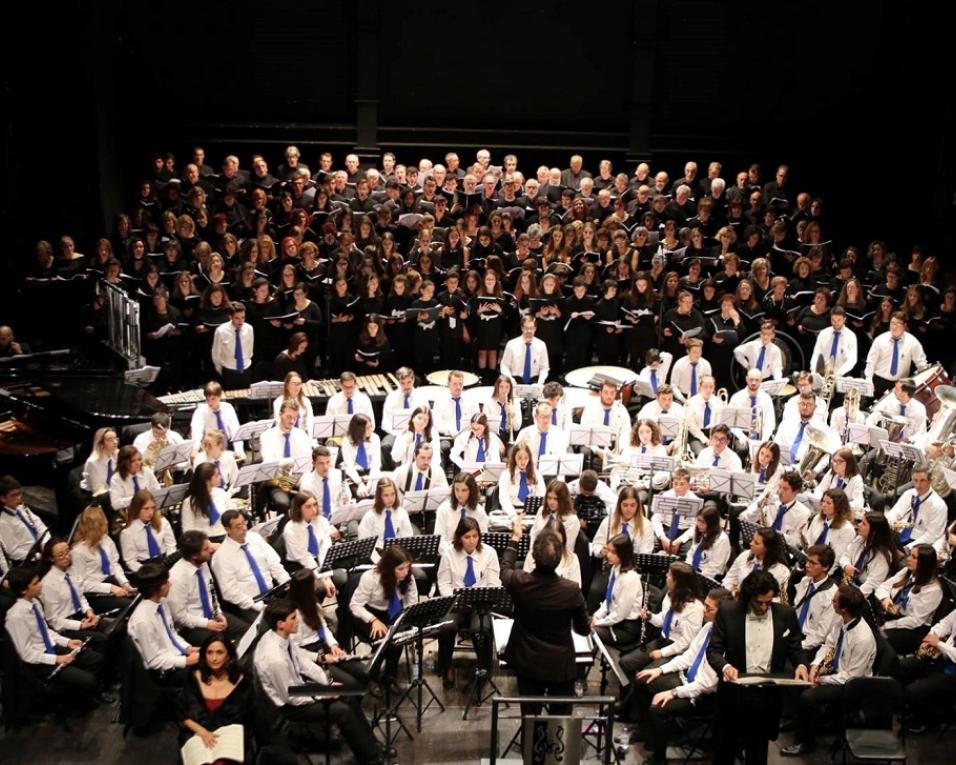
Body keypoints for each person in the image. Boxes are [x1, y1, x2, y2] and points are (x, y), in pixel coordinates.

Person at [255, 599, 384, 765]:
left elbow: (301, 659)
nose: (298, 621)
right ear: (281, 624)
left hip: (299, 688)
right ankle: (371, 759)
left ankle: (372, 744)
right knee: (343, 711)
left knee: (349, 693)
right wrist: (323, 693)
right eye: (293, 618)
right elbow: (292, 696)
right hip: (291, 706)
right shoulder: (274, 659)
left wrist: (327, 681)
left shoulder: (280, 637)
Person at [706, 570, 810, 765]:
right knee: (724, 751)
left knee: (758, 753)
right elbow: (713, 651)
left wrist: (802, 664)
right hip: (734, 694)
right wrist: (726, 666)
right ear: (748, 597)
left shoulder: (786, 614)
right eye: (758, 602)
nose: (763, 607)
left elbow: (795, 647)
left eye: (768, 602)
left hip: (766, 696)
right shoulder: (728, 612)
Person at [500, 519, 590, 715]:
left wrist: (515, 538)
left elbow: (505, 568)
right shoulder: (571, 590)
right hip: (560, 664)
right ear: (559, 559)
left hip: (527, 660)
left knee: (530, 716)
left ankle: (531, 743)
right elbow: (584, 629)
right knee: (560, 718)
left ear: (533, 555)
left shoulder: (519, 582)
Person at [781, 585, 877, 756]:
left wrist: (820, 680)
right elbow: (829, 645)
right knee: (797, 674)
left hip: (851, 684)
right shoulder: (842, 620)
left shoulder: (862, 638)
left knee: (808, 697)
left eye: (834, 601)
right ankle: (797, 719)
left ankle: (806, 741)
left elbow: (850, 676)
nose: (831, 602)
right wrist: (815, 666)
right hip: (834, 671)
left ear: (844, 608)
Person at [5, 565, 108, 706]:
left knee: (96, 659)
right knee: (88, 680)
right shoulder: (15, 617)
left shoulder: (34, 602)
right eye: (35, 583)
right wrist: (57, 659)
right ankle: (77, 702)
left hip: (52, 648)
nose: (40, 585)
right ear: (23, 590)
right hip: (40, 661)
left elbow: (46, 632)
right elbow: (27, 654)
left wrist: (67, 642)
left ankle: (86, 697)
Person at [435, 517, 501, 687]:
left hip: (479, 604)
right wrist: (452, 599)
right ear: (459, 538)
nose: (472, 541)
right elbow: (443, 582)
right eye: (467, 537)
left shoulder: (489, 553)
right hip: (455, 602)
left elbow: (494, 583)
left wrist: (484, 598)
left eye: (475, 536)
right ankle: (446, 667)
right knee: (446, 627)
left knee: (481, 629)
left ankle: (484, 668)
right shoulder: (449, 553)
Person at [177, 635, 255, 763]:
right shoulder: (194, 677)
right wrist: (202, 732)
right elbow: (181, 714)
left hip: (228, 741)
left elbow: (248, 721)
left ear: (228, 655)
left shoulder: (243, 683)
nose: (214, 658)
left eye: (219, 652)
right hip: (196, 735)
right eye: (209, 653)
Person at [167, 530, 249, 645]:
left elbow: (211, 592)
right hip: (192, 626)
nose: (211, 549)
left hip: (213, 616)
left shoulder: (203, 563)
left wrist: (218, 613)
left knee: (249, 631)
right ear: (194, 556)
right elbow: (180, 617)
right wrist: (207, 624)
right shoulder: (177, 578)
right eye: (206, 549)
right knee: (220, 645)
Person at [349, 544, 418, 677]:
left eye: (408, 567)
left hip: (392, 611)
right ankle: (372, 677)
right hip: (368, 613)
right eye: (400, 569)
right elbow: (355, 605)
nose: (405, 572)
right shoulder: (371, 578)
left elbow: (411, 603)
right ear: (389, 568)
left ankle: (389, 677)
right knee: (382, 639)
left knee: (399, 637)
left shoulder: (408, 578)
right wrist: (373, 620)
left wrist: (411, 624)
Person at [127, 562, 200, 686]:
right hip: (166, 672)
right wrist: (186, 661)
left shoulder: (162, 602)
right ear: (158, 588)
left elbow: (171, 634)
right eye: (166, 582)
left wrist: (188, 648)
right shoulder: (143, 621)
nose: (170, 584)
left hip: (176, 656)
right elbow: (154, 661)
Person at [211, 510, 290, 623]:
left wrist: (287, 583)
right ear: (227, 529)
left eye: (244, 523)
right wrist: (258, 606)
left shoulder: (255, 538)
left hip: (272, 593)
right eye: (238, 526)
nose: (244, 528)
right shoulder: (221, 557)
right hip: (249, 603)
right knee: (269, 627)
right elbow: (230, 592)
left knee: (299, 611)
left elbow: (274, 564)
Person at [875, 543, 943, 654]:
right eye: (910, 555)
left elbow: (915, 620)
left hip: (912, 629)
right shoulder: (908, 571)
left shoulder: (933, 590)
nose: (908, 559)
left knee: (879, 639)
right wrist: (885, 598)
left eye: (914, 557)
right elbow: (884, 586)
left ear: (924, 563)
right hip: (894, 614)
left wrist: (888, 626)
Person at [900, 607, 956, 732]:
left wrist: (939, 644)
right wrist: (931, 637)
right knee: (902, 667)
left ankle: (929, 721)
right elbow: (945, 623)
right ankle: (912, 709)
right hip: (944, 658)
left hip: (953, 671)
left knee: (914, 690)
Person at [69, 505, 135, 612]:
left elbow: (114, 564)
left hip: (113, 583)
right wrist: (109, 588)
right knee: (130, 607)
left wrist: (124, 583)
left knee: (140, 599)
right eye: (102, 524)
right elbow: (80, 585)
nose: (106, 525)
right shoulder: (78, 552)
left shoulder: (106, 540)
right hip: (97, 594)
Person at [864, 311, 928, 397]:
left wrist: (924, 379)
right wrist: (868, 379)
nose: (894, 327)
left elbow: (921, 363)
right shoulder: (880, 340)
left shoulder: (912, 341)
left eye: (898, 324)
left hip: (901, 384)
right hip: (879, 381)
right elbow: (871, 362)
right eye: (892, 323)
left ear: (904, 326)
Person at [790, 545, 840, 654]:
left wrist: (796, 646)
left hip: (810, 646)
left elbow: (820, 636)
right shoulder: (805, 581)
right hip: (794, 634)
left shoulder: (832, 595)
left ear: (825, 567)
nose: (807, 565)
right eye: (807, 561)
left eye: (812, 563)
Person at [119, 490, 177, 573]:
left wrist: (169, 564)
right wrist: (147, 572)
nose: (150, 512)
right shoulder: (127, 533)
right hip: (145, 568)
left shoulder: (163, 522)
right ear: (137, 509)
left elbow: (171, 546)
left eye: (153, 508)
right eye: (146, 508)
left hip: (165, 561)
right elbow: (130, 561)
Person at [0, 475, 50, 563]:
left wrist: (46, 543)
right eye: (14, 495)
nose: (19, 498)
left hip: (43, 550)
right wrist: (37, 556)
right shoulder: (3, 522)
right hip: (31, 561)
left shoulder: (22, 508)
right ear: (3, 498)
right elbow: (13, 552)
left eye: (19, 494)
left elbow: (40, 526)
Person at [189, 381, 242, 458]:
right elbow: (196, 432)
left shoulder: (228, 408)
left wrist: (239, 451)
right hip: (210, 448)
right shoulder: (200, 411)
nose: (210, 403)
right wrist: (195, 449)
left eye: (213, 399)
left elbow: (235, 430)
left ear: (220, 396)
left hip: (228, 447)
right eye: (207, 399)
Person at [356, 477, 414, 546]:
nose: (390, 499)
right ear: (379, 496)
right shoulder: (370, 516)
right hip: (377, 553)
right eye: (386, 495)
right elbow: (364, 542)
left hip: (397, 552)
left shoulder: (402, 512)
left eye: (393, 494)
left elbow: (407, 537)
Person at [181, 462, 229, 541]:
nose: (220, 477)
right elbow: (188, 531)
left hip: (224, 536)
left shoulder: (221, 493)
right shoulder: (190, 502)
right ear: (207, 481)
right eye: (216, 476)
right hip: (202, 542)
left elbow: (229, 517)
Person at [211, 301, 254, 389]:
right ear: (230, 317)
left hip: (245, 370)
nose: (241, 321)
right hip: (229, 372)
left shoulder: (249, 329)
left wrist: (245, 363)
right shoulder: (221, 331)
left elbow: (250, 350)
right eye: (237, 318)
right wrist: (221, 370)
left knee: (246, 400)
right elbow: (216, 354)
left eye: (243, 317)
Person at [497, 442, 546, 516]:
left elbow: (542, 496)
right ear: (514, 458)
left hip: (532, 513)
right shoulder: (506, 475)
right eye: (519, 458)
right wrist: (513, 516)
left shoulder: (536, 474)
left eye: (526, 458)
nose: (523, 462)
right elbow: (504, 500)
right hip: (511, 512)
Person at [500, 316, 550, 384]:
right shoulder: (511, 344)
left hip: (535, 381)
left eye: (531, 328)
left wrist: (540, 381)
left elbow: (544, 368)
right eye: (526, 328)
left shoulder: (541, 345)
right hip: (515, 381)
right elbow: (504, 365)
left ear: (535, 328)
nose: (529, 331)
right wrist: (510, 379)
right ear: (522, 328)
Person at [685, 506, 732, 578]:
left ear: (712, 524)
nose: (698, 524)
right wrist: (687, 568)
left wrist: (695, 578)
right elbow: (691, 553)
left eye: (703, 522)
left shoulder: (722, 539)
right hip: (693, 571)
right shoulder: (699, 531)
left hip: (708, 576)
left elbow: (714, 567)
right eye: (698, 520)